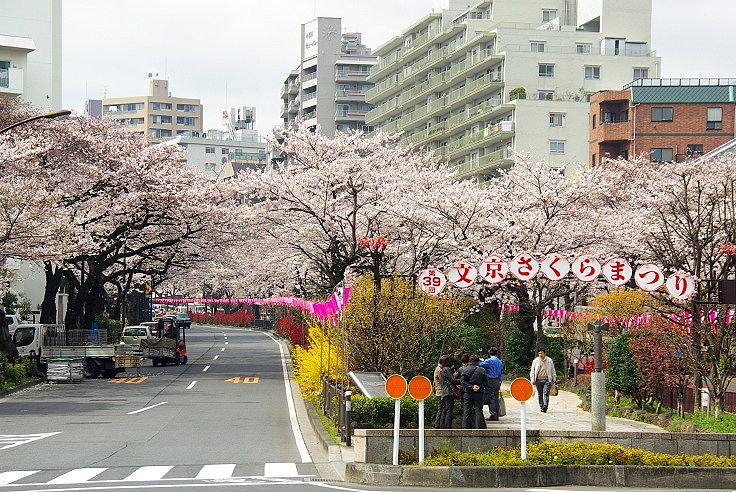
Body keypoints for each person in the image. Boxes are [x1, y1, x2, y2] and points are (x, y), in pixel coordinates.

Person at [438, 355, 478, 429]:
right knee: (449, 411)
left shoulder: (444, 369)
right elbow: (453, 380)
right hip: (448, 392)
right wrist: (463, 382)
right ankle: (447, 428)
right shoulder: (447, 369)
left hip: (444, 392)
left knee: (445, 410)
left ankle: (442, 427)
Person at [459, 354, 488, 429]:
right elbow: (486, 382)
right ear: (478, 361)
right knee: (478, 410)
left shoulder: (465, 369)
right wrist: (479, 387)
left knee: (466, 412)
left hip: (468, 393)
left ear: (469, 360)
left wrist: (471, 387)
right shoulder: (482, 370)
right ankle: (480, 428)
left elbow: (462, 381)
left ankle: (466, 428)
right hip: (479, 393)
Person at [530, 347, 556, 413]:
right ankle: (541, 406)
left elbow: (553, 369)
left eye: (541, 353)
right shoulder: (535, 360)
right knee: (540, 394)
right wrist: (532, 379)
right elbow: (532, 370)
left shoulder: (549, 360)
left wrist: (554, 378)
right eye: (539, 353)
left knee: (546, 393)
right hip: (538, 380)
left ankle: (545, 406)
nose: (540, 354)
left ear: (544, 353)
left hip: (547, 380)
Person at [480, 347, 503, 421]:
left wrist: (481, 360)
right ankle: (497, 414)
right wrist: (500, 382)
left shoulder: (489, 361)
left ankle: (493, 415)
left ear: (489, 353)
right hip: (497, 381)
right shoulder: (500, 362)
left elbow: (480, 365)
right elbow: (501, 373)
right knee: (496, 398)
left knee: (491, 398)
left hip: (490, 380)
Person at [433, 356, 444, 429]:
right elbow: (442, 380)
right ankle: (438, 426)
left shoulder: (437, 369)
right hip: (440, 392)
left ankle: (438, 425)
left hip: (438, 391)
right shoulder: (439, 370)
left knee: (440, 409)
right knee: (441, 409)